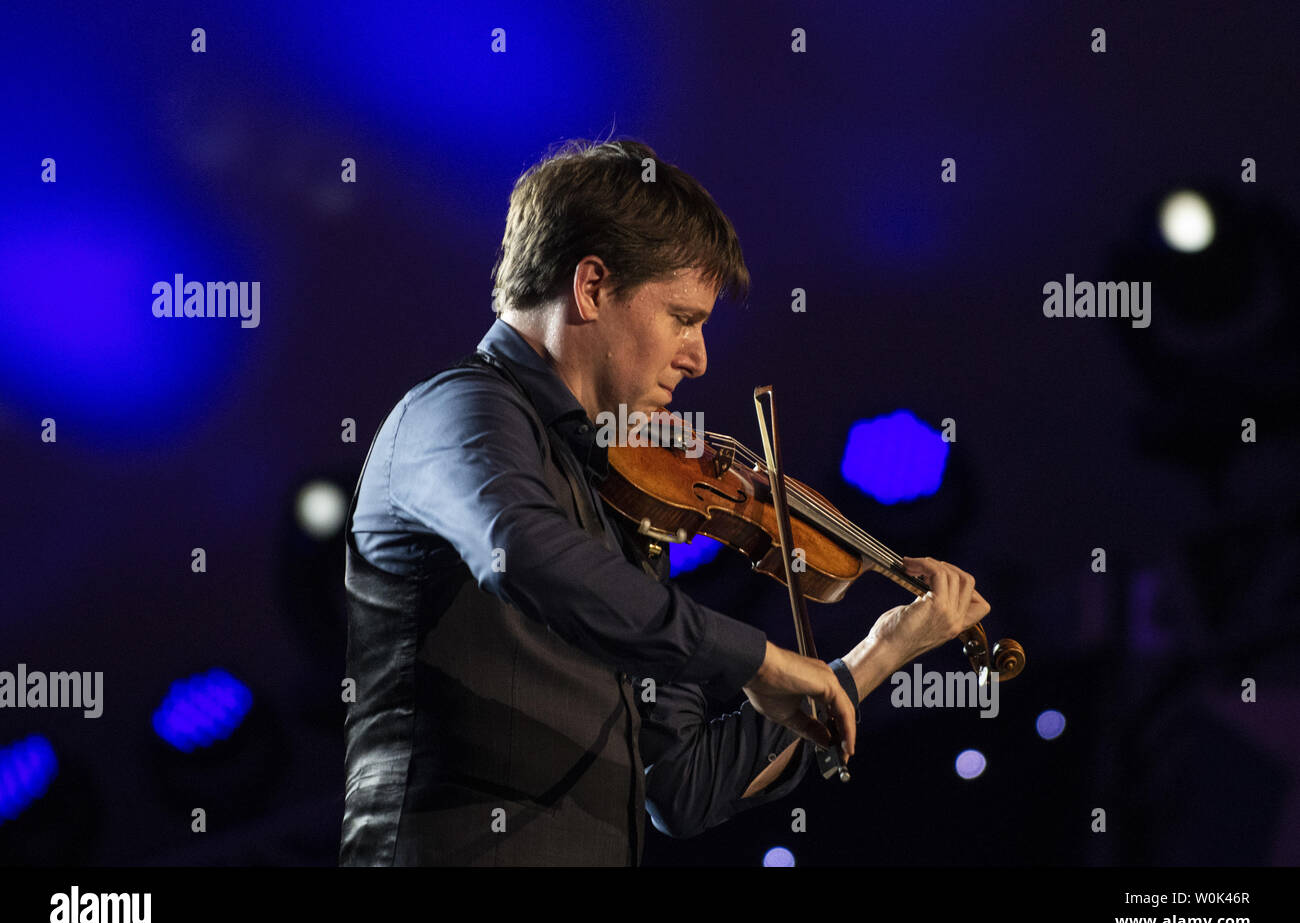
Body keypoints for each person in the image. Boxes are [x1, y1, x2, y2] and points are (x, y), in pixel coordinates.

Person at [339, 138, 989, 865]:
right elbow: (519, 550)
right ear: (590, 287)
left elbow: (681, 788)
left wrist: (879, 652)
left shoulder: (624, 493)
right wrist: (756, 660)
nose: (700, 356)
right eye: (684, 318)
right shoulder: (457, 411)